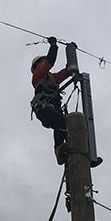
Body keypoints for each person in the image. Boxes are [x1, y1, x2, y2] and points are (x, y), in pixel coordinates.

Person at [30, 36, 71, 164]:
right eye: (41, 61)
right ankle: (59, 150)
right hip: (44, 108)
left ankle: (82, 155)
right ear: (37, 65)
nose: (43, 63)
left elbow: (64, 74)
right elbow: (50, 61)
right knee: (60, 122)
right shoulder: (38, 74)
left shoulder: (51, 77)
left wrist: (71, 60)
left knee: (69, 128)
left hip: (52, 108)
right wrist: (53, 46)